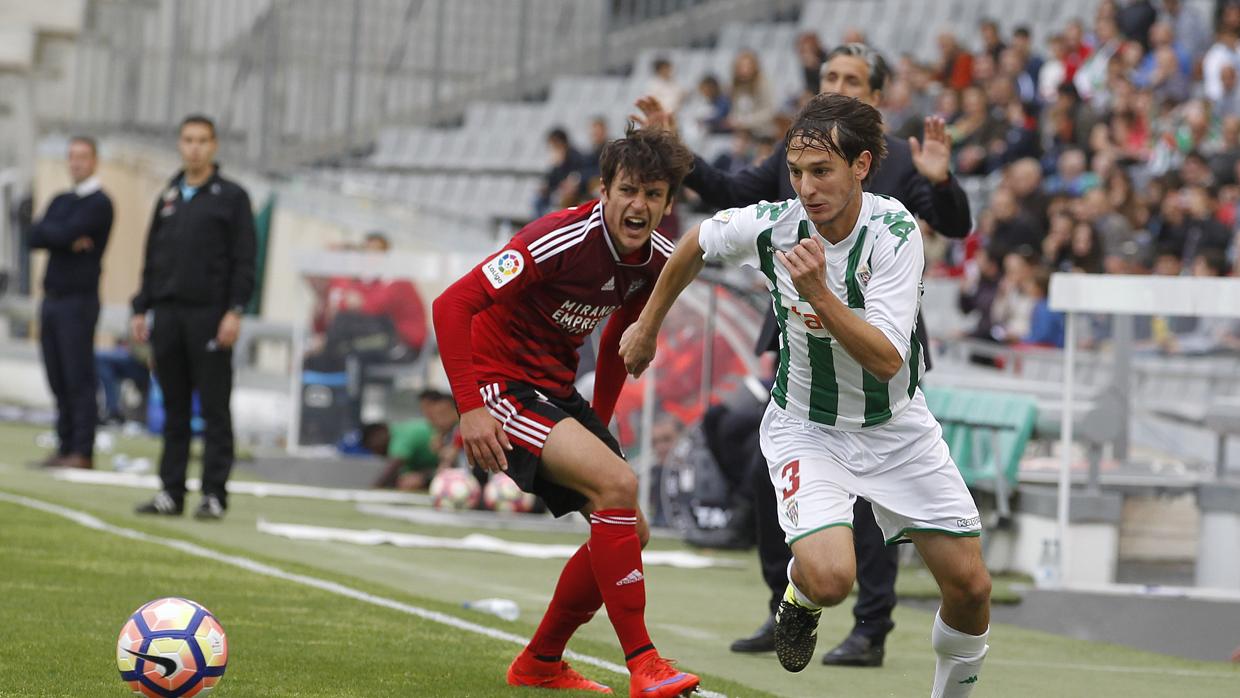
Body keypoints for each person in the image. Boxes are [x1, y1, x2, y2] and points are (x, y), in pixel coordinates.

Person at [620, 93, 992, 697]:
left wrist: (818, 293)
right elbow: (696, 243)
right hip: (807, 428)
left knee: (971, 588)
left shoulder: (895, 232)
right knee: (830, 579)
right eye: (796, 172)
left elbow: (886, 359)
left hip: (897, 428)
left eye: (821, 171)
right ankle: (801, 593)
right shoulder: (775, 224)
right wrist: (647, 325)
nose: (806, 188)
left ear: (861, 166)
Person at [431, 125, 700, 697]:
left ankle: (540, 662)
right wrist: (470, 408)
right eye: (628, 190)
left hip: (553, 392)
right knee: (618, 487)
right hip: (499, 386)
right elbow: (451, 304)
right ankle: (645, 664)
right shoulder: (557, 238)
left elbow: (620, 334)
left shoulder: (657, 260)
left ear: (668, 204)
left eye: (653, 195)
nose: (638, 205)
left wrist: (596, 426)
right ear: (604, 190)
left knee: (631, 527)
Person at [131, 114, 256, 520]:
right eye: (188, 140)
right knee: (174, 408)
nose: (195, 148)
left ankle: (214, 493)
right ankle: (171, 491)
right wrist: (141, 306)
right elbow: (153, 256)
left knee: (215, 409)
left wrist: (235, 310)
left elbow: (244, 259)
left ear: (214, 145)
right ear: (180, 144)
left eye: (202, 140)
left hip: (209, 315)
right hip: (168, 314)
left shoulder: (231, 197)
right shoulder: (169, 196)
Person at [28, 136, 114, 469]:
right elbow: (36, 234)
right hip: (52, 299)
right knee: (57, 376)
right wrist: (63, 237)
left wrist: (59, 235)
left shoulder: (100, 203)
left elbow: (59, 233)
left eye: (83, 157)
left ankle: (82, 449)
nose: (76, 163)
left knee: (78, 375)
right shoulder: (61, 199)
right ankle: (64, 445)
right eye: (72, 157)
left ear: (94, 160)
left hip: (78, 302)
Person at [367, 390, 461, 491]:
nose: (435, 421)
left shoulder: (461, 432)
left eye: (442, 414)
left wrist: (425, 478)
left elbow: (450, 460)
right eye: (432, 416)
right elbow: (443, 466)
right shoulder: (443, 436)